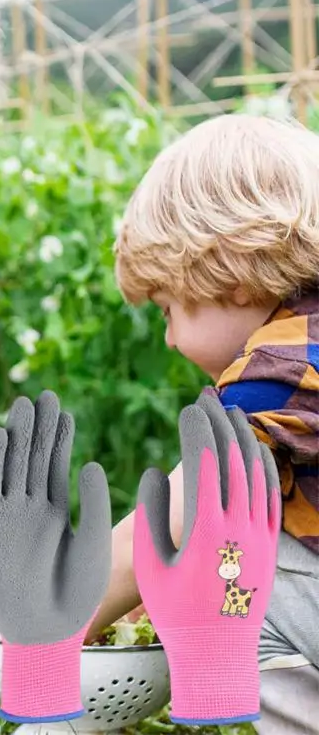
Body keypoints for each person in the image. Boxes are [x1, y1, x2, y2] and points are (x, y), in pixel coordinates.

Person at [102, 112, 319, 734]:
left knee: (212, 571)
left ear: (233, 273)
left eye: (168, 309)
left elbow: (172, 517)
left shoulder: (275, 369)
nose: (169, 339)